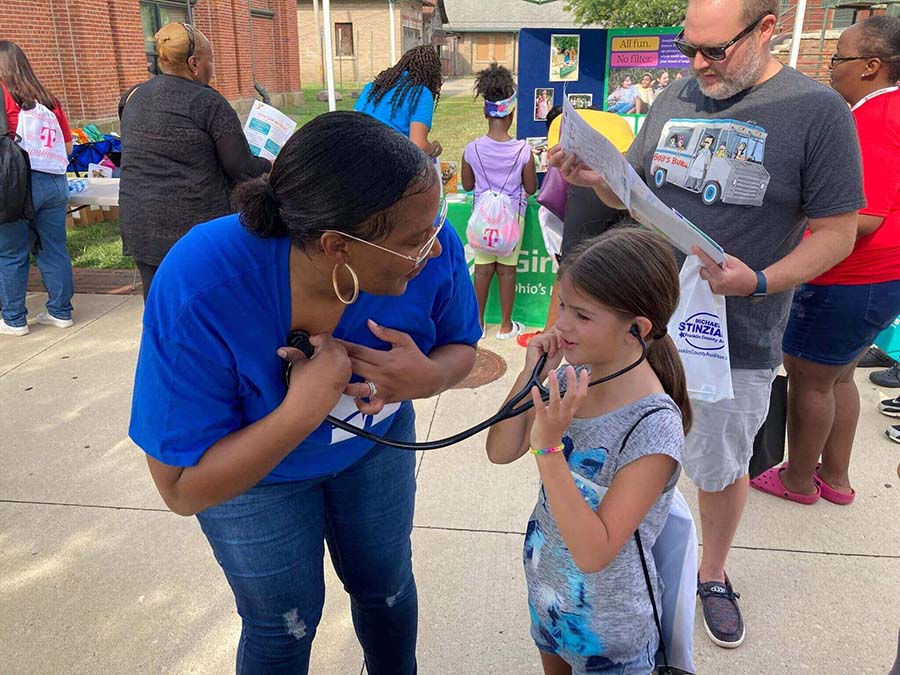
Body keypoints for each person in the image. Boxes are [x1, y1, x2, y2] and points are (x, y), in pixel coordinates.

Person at [551, 0, 863, 649]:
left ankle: (712, 573)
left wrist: (759, 280)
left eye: (712, 51)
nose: (695, 65)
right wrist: (596, 178)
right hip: (642, 327)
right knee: (624, 448)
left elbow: (836, 233)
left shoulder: (817, 111)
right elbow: (635, 193)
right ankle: (621, 550)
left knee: (717, 466)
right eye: (687, 47)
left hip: (738, 334)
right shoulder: (676, 96)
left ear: (767, 29)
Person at [128, 111, 480, 674]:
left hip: (375, 450)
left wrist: (430, 378)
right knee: (282, 624)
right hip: (255, 483)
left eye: (436, 226)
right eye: (418, 240)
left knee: (387, 589)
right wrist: (301, 411)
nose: (437, 249)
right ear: (338, 245)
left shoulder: (428, 242)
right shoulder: (203, 282)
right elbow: (180, 490)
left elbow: (461, 344)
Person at [486, 228, 691, 674]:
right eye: (562, 305)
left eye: (581, 315)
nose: (561, 324)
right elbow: (500, 450)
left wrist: (549, 450)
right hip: (549, 596)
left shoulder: (654, 427)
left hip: (609, 630)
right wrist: (532, 373)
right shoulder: (571, 379)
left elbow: (595, 552)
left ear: (636, 329)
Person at [763, 16, 900, 503]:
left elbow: (861, 216)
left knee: (809, 379)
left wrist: (791, 226)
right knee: (839, 375)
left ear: (871, 66)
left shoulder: (873, 119)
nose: (830, 68)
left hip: (849, 278)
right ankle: (834, 476)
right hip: (876, 280)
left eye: (838, 58)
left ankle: (798, 478)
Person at [118, 22, 270, 299]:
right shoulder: (207, 102)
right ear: (194, 63)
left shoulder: (133, 96)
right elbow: (240, 167)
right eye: (210, 60)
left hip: (140, 223)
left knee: (159, 307)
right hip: (193, 228)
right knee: (206, 308)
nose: (212, 67)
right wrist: (270, 163)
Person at [0, 40, 74, 336]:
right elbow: (67, 145)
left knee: (11, 253)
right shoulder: (48, 98)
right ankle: (60, 312)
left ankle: (14, 319)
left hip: (16, 186)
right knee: (54, 248)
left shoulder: (2, 96)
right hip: (55, 182)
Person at [462, 63, 537, 340]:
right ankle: (506, 326)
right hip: (511, 218)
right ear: (512, 112)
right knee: (507, 272)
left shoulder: (472, 149)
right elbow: (530, 187)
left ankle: (479, 325)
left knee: (482, 272)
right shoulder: (523, 150)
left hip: (482, 219)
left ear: (485, 111)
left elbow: (468, 184)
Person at [355, 45, 443, 158]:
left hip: (357, 154)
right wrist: (434, 148)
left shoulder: (372, 87)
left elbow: (354, 122)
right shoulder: (421, 93)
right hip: (387, 159)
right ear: (432, 74)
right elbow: (418, 144)